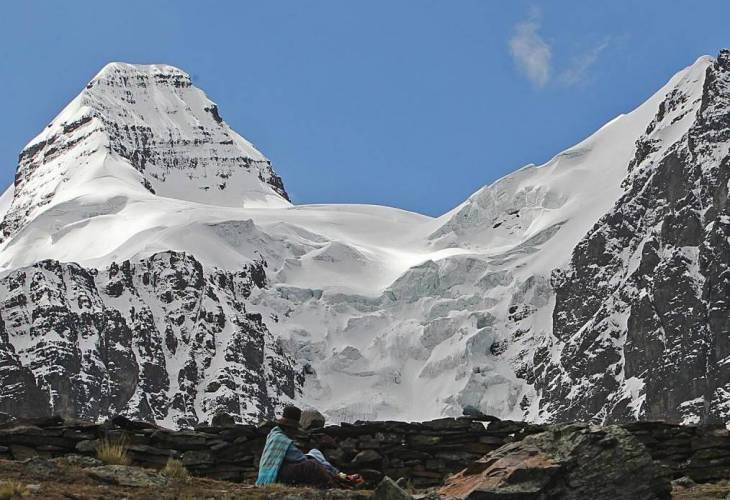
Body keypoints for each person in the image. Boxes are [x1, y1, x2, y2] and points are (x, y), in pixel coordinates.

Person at [255, 405, 364, 488]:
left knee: (314, 455)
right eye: (294, 429)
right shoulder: (282, 440)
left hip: (275, 472)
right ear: (289, 427)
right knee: (312, 465)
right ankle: (334, 485)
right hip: (277, 475)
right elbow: (300, 458)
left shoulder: (274, 434)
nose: (294, 432)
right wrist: (332, 471)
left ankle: (340, 480)